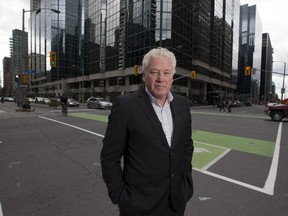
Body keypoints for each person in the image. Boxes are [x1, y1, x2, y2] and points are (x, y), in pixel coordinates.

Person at [101, 47, 194, 216]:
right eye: (154, 72)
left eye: (166, 73)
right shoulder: (125, 105)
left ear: (172, 77)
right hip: (138, 206)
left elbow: (186, 145)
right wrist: (120, 196)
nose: (161, 79)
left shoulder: (182, 105)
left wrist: (186, 183)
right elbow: (109, 156)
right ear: (144, 75)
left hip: (176, 202)